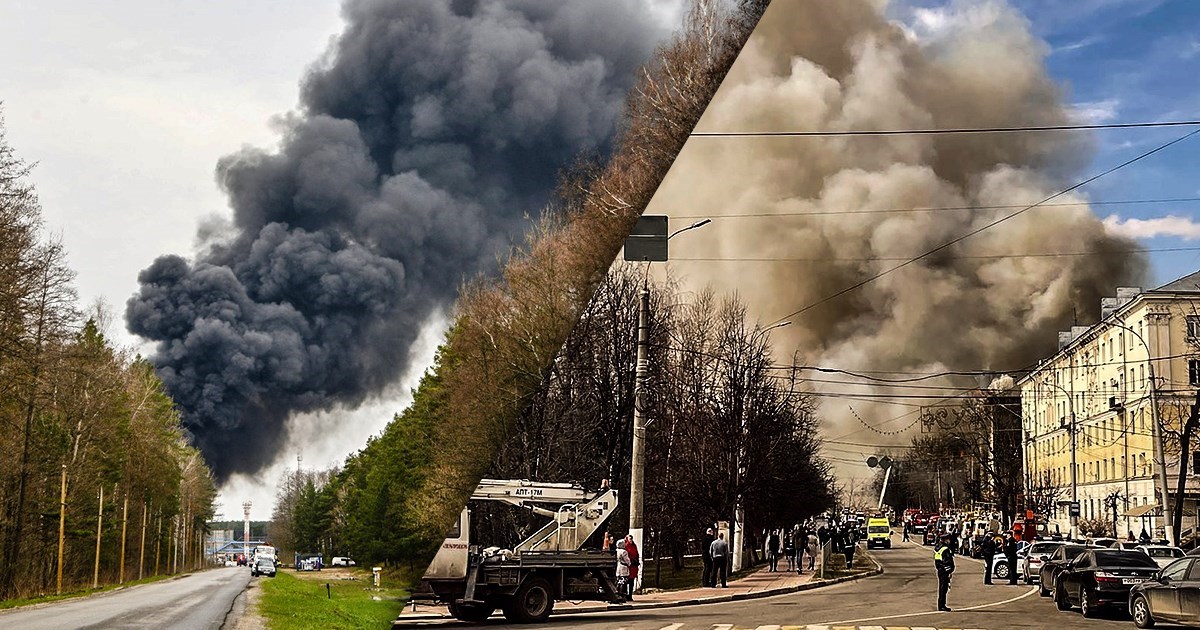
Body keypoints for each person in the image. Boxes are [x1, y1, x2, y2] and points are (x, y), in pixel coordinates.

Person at [934, 534, 955, 612]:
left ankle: (941, 604)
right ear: (945, 540)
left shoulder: (938, 547)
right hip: (944, 571)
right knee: (943, 588)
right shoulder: (945, 549)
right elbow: (947, 561)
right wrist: (949, 571)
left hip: (940, 569)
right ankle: (942, 605)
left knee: (942, 588)